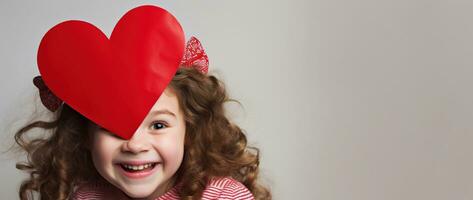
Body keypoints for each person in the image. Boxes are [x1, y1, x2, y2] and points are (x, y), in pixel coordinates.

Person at [14, 5, 271, 200]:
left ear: (190, 131)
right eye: (112, 129)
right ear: (85, 137)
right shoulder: (86, 196)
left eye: (158, 125)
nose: (135, 145)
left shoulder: (224, 197)